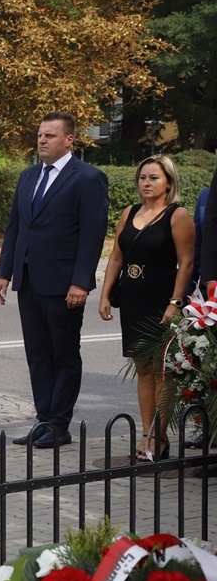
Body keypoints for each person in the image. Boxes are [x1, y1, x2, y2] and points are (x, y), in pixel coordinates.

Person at [0, 111, 109, 448]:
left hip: (63, 285)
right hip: (28, 281)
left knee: (63, 354)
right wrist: (5, 273)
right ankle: (44, 420)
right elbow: (15, 226)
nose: (42, 140)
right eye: (40, 134)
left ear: (69, 140)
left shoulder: (87, 178)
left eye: (50, 135)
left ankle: (60, 424)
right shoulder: (28, 176)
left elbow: (92, 235)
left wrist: (81, 282)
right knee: (38, 354)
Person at [98, 155, 192, 461]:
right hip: (134, 302)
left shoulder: (177, 215)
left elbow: (186, 262)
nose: (146, 183)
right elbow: (116, 257)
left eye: (154, 178)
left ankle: (159, 437)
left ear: (168, 182)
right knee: (143, 370)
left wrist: (175, 302)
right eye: (142, 178)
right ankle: (146, 433)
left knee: (164, 372)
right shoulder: (130, 212)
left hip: (162, 300)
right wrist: (104, 294)